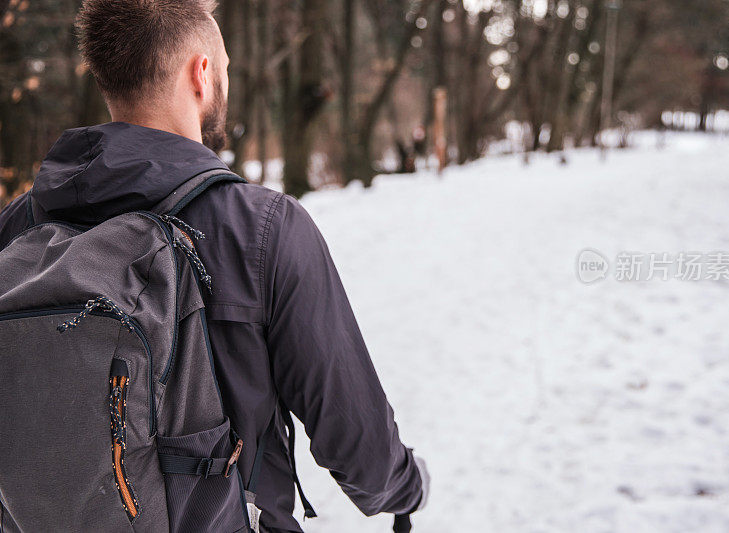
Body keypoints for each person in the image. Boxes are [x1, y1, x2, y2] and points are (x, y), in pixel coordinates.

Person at [0, 1, 429, 531]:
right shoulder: (263, 228)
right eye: (225, 67)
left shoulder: (18, 226)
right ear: (202, 73)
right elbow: (358, 446)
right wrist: (410, 486)